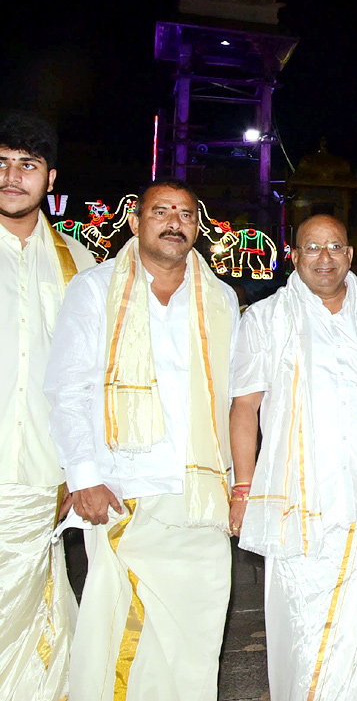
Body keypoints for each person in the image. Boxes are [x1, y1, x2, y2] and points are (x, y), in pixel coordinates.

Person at [45, 178, 240, 701]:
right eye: (161, 211)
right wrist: (83, 477)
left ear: (197, 229)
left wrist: (242, 487)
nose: (174, 221)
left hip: (202, 495)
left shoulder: (221, 298)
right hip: (124, 488)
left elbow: (240, 401)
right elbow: (67, 388)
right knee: (121, 636)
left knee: (196, 634)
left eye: (185, 213)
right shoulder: (94, 289)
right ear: (136, 222)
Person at [228, 215, 357, 700]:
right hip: (299, 503)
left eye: (335, 247)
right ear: (294, 256)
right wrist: (243, 489)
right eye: (313, 248)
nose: (325, 258)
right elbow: (245, 407)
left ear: (349, 255)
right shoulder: (265, 319)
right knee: (308, 631)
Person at [0, 112, 93, 700]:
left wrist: (76, 469)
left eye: (27, 166)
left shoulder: (78, 265)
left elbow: (89, 376)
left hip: (40, 476)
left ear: (49, 178)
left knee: (34, 612)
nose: (12, 177)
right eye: (2, 165)